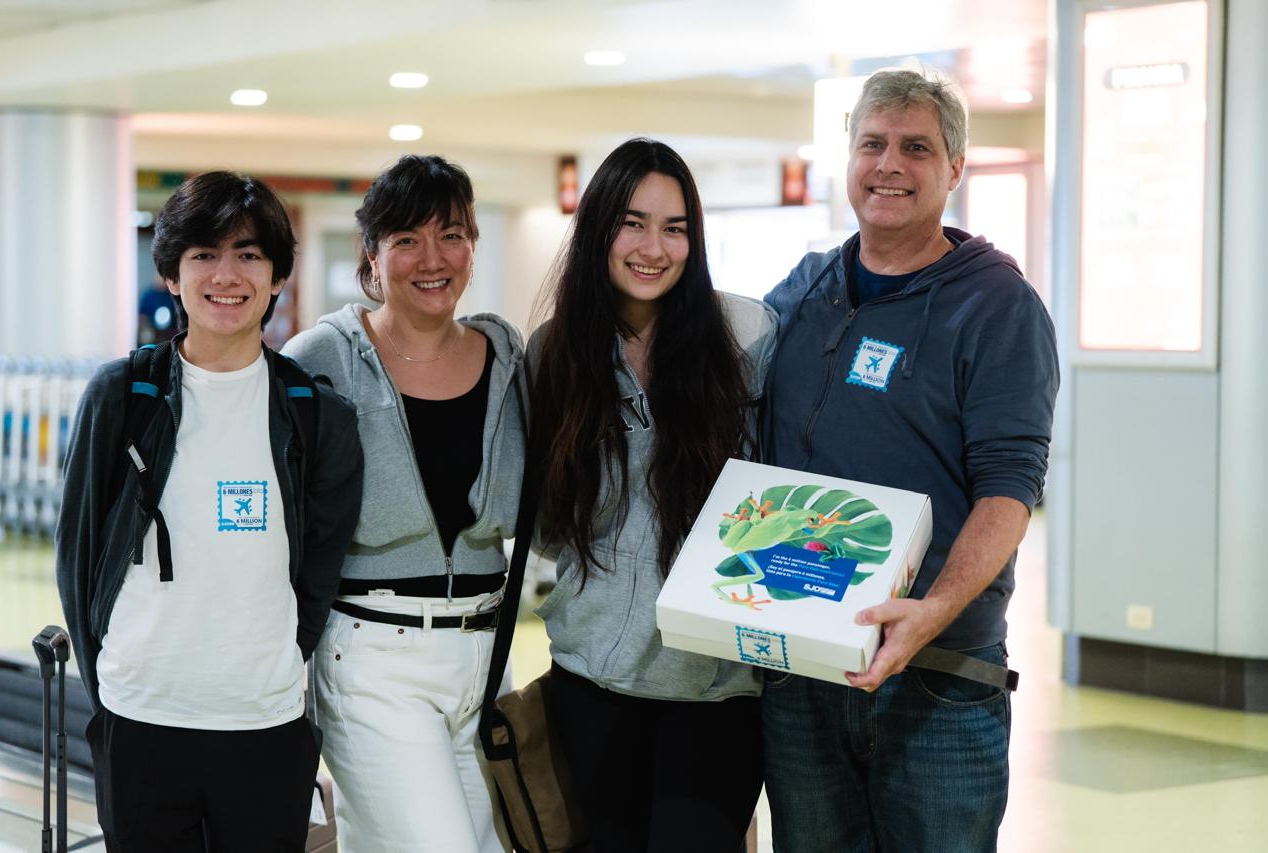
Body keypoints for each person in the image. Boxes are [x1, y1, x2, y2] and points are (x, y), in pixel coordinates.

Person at [760, 68, 1059, 852]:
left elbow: (1008, 489)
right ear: (848, 157)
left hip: (938, 677)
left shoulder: (996, 306)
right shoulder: (806, 288)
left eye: (915, 148)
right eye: (873, 144)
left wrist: (933, 612)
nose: (889, 165)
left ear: (954, 168)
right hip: (802, 666)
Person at [55, 171, 364, 852]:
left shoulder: (316, 416)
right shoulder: (121, 396)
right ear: (172, 274)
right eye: (204, 254)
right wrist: (114, 671)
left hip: (263, 722)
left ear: (278, 274)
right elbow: (77, 558)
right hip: (140, 715)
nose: (227, 274)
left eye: (250, 254)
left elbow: (318, 574)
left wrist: (275, 655)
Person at [527, 137, 777, 852]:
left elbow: (773, 493)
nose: (654, 247)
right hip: (590, 681)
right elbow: (547, 524)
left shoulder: (747, 335)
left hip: (715, 690)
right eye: (633, 223)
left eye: (675, 228)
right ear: (599, 227)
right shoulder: (555, 353)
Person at [282, 154, 525, 853]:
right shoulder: (321, 359)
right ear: (372, 253)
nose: (433, 258)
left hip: (487, 656)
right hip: (374, 655)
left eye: (452, 234)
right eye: (407, 240)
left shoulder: (507, 357)